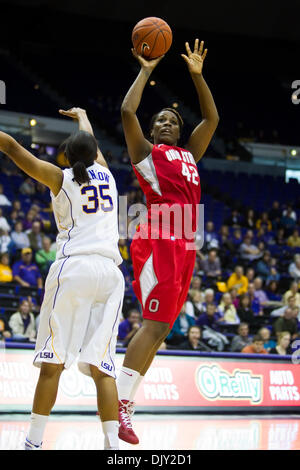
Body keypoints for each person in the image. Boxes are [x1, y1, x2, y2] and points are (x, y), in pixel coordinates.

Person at [0, 107, 124, 450]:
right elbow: (93, 143)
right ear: (95, 154)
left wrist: (81, 123)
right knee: (104, 366)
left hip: (76, 269)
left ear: (67, 156)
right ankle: (112, 445)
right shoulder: (109, 176)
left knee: (53, 360)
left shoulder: (62, 178)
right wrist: (84, 115)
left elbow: (10, 147)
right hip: (111, 275)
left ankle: (34, 442)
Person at [117, 39, 219, 444]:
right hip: (157, 237)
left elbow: (211, 119)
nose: (166, 124)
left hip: (185, 243)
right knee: (154, 323)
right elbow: (127, 111)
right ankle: (121, 404)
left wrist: (198, 76)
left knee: (161, 332)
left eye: (172, 121)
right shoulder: (145, 153)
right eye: (159, 120)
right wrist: (145, 70)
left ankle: (128, 400)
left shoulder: (191, 155)